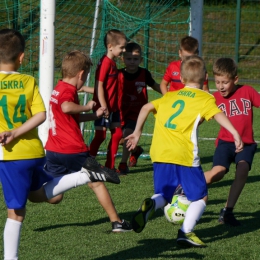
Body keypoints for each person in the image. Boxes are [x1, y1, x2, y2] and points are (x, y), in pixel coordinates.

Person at [0, 29, 121, 260]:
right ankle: (84, 176)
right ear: (22, 57)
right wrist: (18, 131)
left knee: (15, 213)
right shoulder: (28, 81)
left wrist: (12, 133)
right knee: (38, 196)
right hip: (35, 151)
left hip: (11, 155)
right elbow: (40, 115)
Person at [125, 55, 243, 247]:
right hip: (184, 154)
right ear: (205, 76)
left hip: (160, 152)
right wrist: (234, 132)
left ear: (180, 77)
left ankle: (152, 204)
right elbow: (218, 114)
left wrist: (137, 132)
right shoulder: (205, 98)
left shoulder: (169, 95)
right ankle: (185, 232)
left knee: (165, 193)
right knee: (201, 196)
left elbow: (146, 107)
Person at [44, 50, 132, 232]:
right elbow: (67, 107)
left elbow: (69, 116)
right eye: (85, 78)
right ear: (81, 74)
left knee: (54, 197)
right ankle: (117, 222)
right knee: (96, 181)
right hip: (73, 150)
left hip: (54, 150)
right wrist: (86, 106)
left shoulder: (58, 88)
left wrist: (94, 115)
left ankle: (29, 187)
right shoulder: (68, 91)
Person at [204, 57, 260, 226]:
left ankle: (227, 211)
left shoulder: (248, 91)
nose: (220, 86)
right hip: (225, 143)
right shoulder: (213, 98)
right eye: (218, 81)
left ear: (235, 79)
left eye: (225, 82)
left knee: (242, 169)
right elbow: (200, 116)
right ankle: (184, 187)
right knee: (218, 173)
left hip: (246, 143)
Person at [117, 42, 161, 174]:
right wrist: (88, 89)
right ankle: (136, 151)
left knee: (127, 135)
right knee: (120, 140)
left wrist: (172, 94)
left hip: (137, 114)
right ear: (123, 59)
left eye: (135, 59)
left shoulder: (144, 73)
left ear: (140, 60)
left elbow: (155, 86)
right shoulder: (118, 75)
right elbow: (106, 89)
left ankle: (123, 165)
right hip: (120, 113)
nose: (132, 62)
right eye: (129, 59)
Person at [89, 29, 127, 171]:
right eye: (121, 47)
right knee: (101, 135)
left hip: (114, 107)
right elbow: (99, 85)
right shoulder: (105, 62)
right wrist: (104, 105)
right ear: (110, 46)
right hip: (104, 106)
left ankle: (109, 166)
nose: (123, 51)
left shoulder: (112, 63)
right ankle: (89, 162)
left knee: (117, 134)